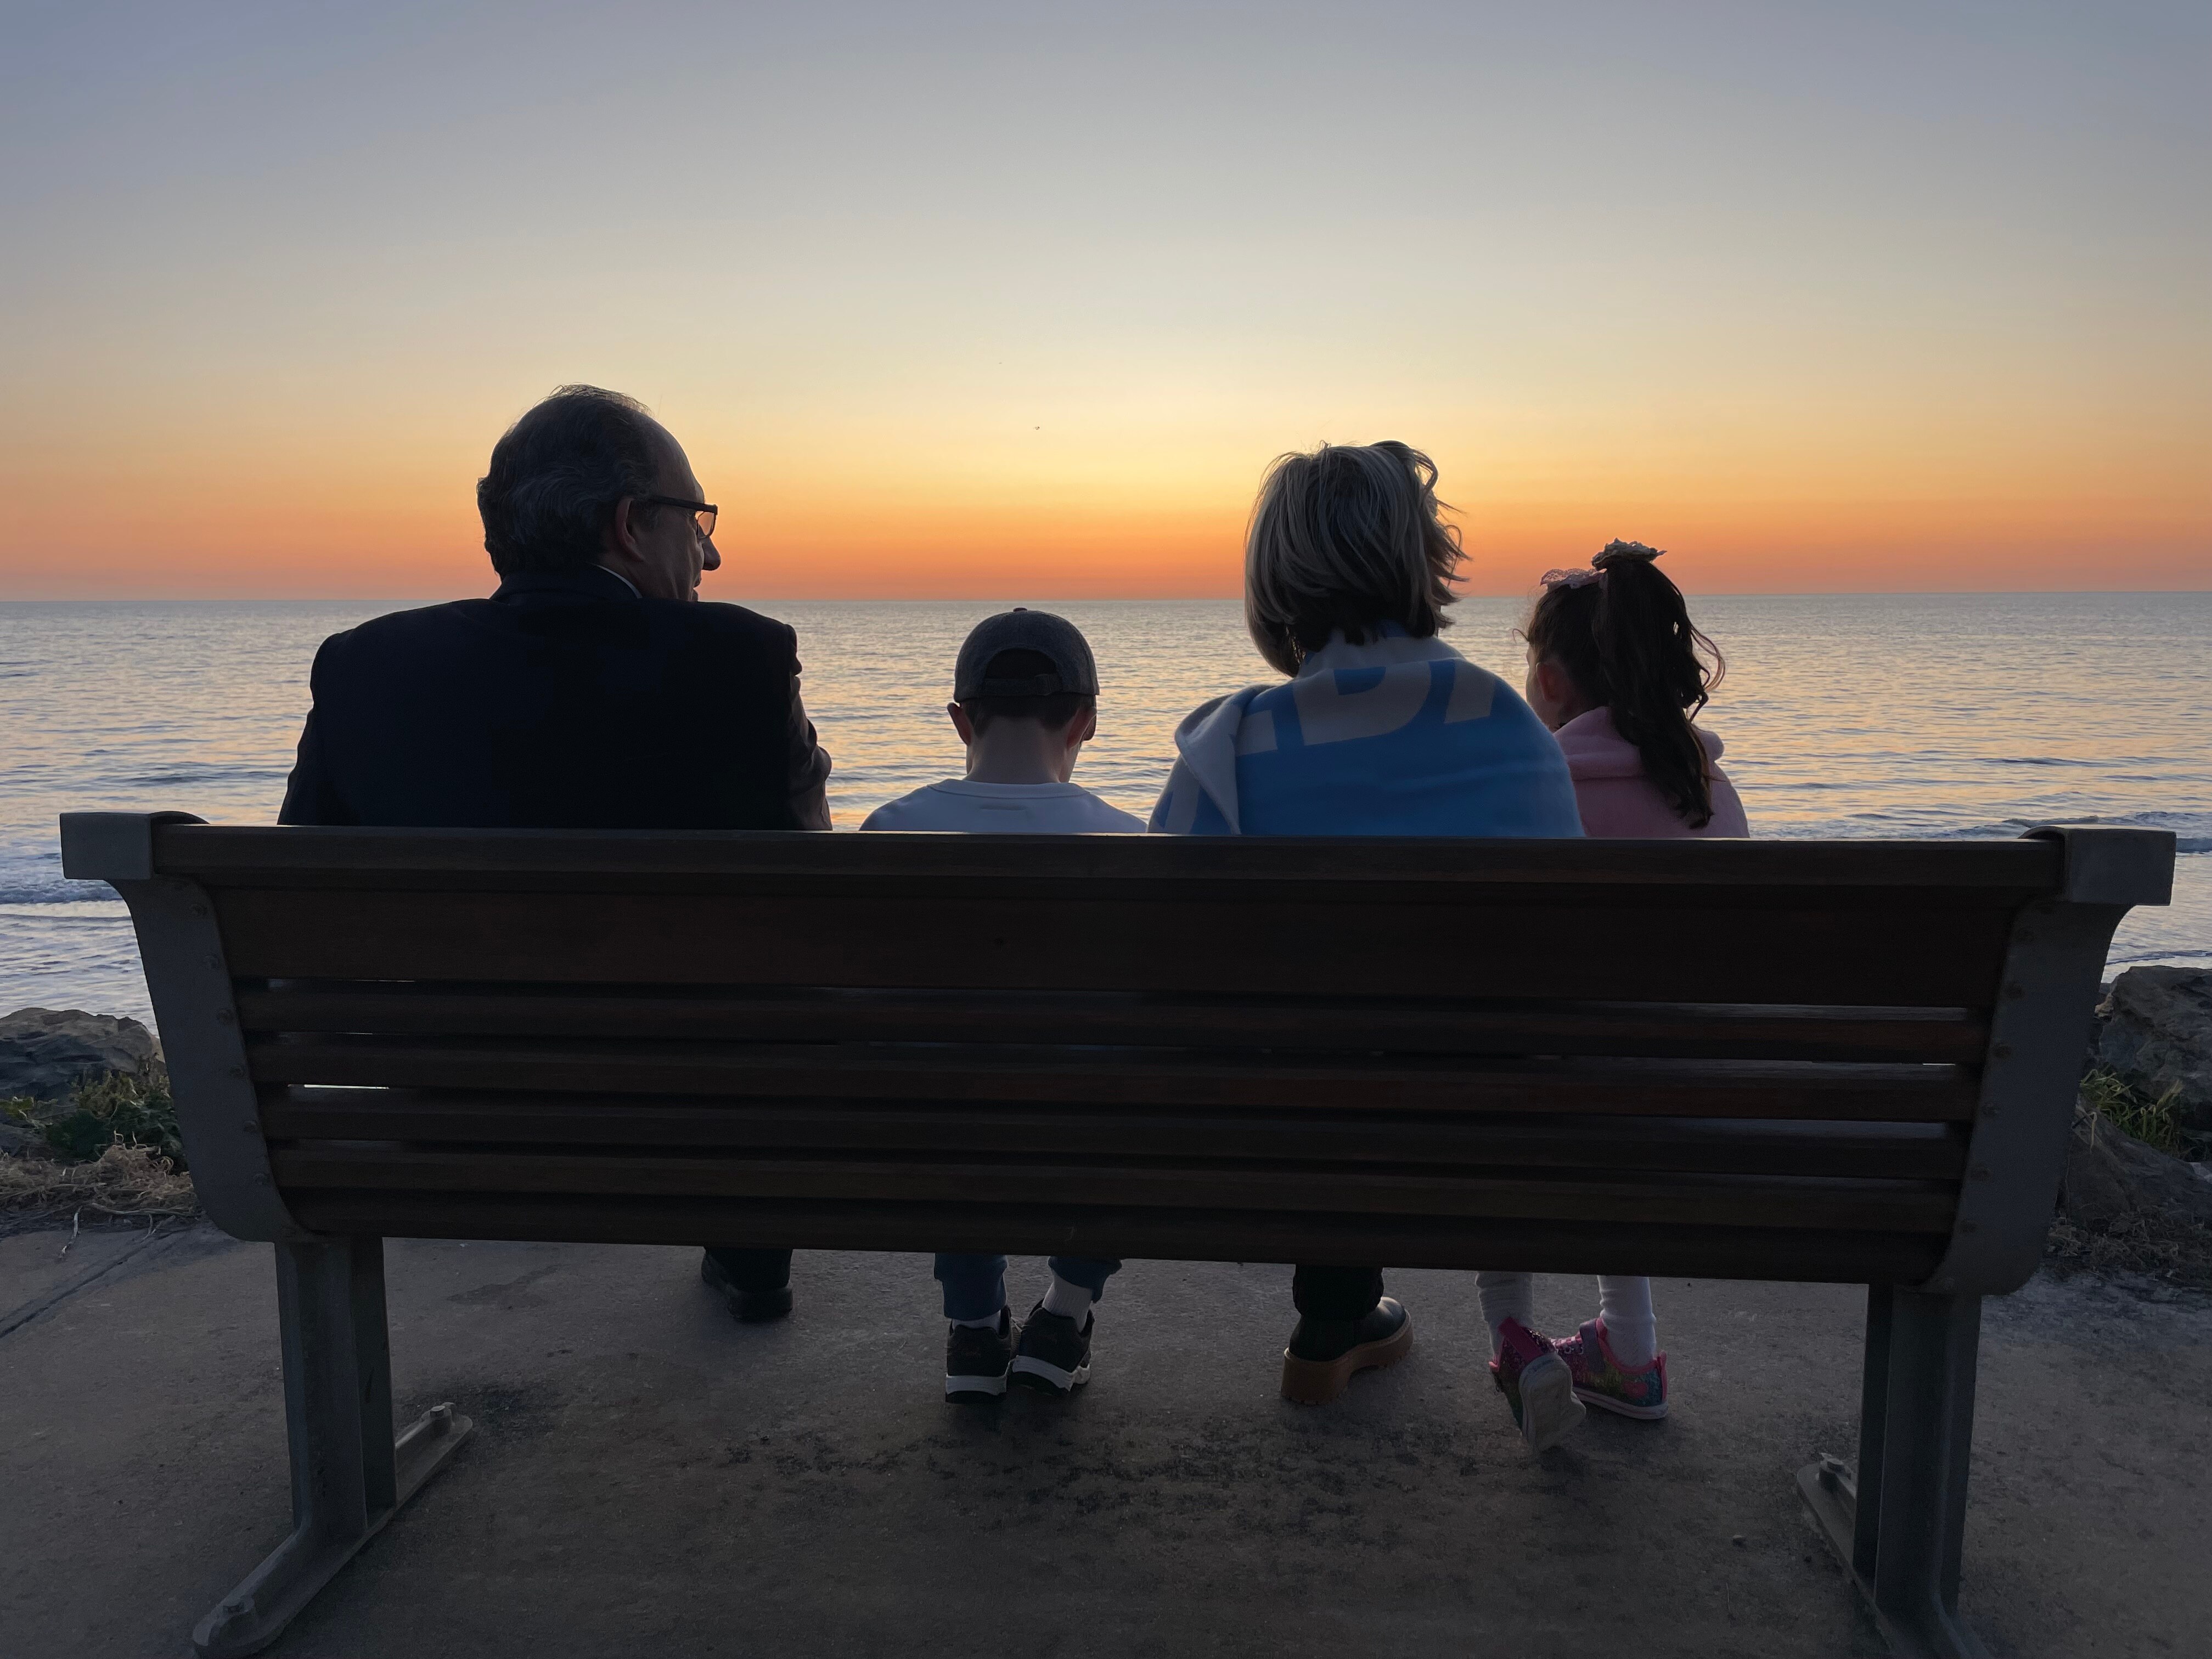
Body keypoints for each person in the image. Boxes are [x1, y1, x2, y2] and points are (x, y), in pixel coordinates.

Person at [279, 384, 830, 1324]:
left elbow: (302, 909)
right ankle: (750, 1245)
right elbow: (818, 902)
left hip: (443, 1118)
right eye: (695, 518)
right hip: (713, 1130)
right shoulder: (739, 661)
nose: (712, 550)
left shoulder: (366, 667)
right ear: (627, 524)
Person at [1150, 441, 1586, 1448]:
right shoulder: (1511, 727)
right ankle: (1344, 1316)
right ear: (1420, 565)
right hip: (1492, 1132)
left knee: (1313, 1050)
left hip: (1269, 1138)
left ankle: (1334, 1312)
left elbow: (1157, 960)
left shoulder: (1231, 746)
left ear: (1275, 582)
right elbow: (1562, 971)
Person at [863, 608, 1141, 1400]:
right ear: (1085, 721)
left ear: (961, 720)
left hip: (926, 1140)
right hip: (1091, 1140)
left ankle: (975, 1330)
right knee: (1122, 1101)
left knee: (949, 1089)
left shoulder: (888, 832)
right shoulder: (1136, 844)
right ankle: (1064, 1315)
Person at [1506, 538, 1748, 1424]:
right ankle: (1629, 1351)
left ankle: (1511, 1341)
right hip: (1693, 1112)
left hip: (1536, 1119)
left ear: (1554, 684)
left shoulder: (1529, 793)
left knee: (1523, 1072)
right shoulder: (1712, 794)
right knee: (1623, 1060)